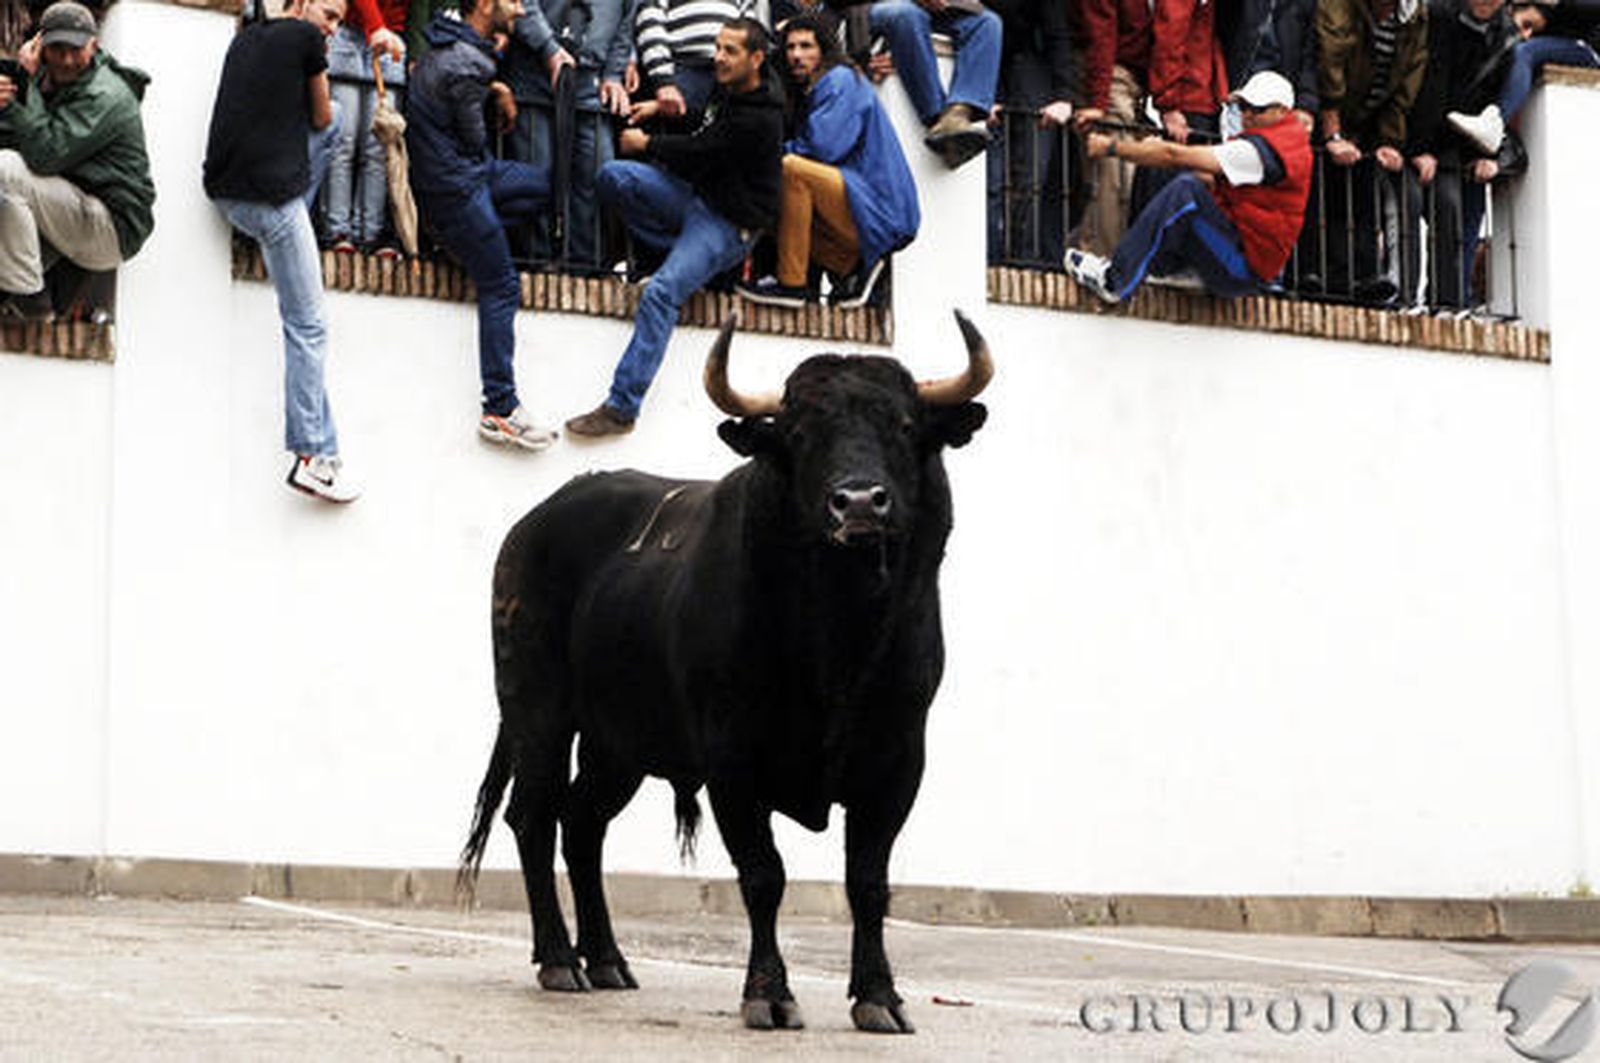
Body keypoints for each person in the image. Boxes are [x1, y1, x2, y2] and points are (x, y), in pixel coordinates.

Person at [565, 16, 781, 437]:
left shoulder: (762, 116)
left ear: (756, 59)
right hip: (697, 199)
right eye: (718, 47)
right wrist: (662, 109)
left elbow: (704, 148)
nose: (718, 57)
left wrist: (647, 142)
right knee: (614, 177)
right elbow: (710, 123)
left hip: (727, 224)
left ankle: (622, 408)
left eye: (730, 51)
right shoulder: (733, 88)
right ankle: (685, 261)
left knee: (661, 294)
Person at [204, 0, 360, 502]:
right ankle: (310, 457)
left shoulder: (245, 37)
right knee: (307, 325)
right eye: (329, 14)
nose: (332, 28)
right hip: (271, 205)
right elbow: (322, 116)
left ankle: (326, 452)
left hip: (226, 195)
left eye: (339, 21)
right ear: (302, 3)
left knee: (303, 323)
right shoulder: (307, 39)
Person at [407, 0, 559, 450]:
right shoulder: (470, 62)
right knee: (502, 285)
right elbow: (474, 137)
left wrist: (495, 86)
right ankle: (499, 407)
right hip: (456, 188)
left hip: (467, 176)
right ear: (487, 4)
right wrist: (491, 88)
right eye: (513, 1)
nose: (520, 9)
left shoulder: (449, 45)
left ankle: (461, 239)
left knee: (547, 186)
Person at [1064, 70, 1312, 304]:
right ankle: (1172, 270)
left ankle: (1115, 281)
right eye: (1242, 107)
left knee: (1186, 191)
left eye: (1256, 109)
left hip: (1240, 271)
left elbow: (1175, 155)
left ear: (1282, 111)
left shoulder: (1265, 150)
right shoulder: (1286, 145)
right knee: (1178, 178)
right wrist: (1154, 154)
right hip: (1240, 258)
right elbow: (1205, 175)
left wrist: (1112, 148)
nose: (1246, 116)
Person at [736, 14, 917, 308]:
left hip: (880, 211)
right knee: (764, 208)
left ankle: (792, 285)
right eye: (790, 47)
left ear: (824, 50)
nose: (796, 55)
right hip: (862, 208)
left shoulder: (840, 79)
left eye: (806, 46)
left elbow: (822, 148)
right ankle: (851, 268)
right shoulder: (818, 86)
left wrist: (765, 154)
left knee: (791, 169)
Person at [0, 0, 153, 322]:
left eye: (76, 49)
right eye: (57, 49)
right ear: (40, 46)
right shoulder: (44, 78)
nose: (67, 59)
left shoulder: (106, 95)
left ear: (93, 45)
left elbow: (44, 155)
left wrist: (20, 96)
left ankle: (29, 297)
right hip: (72, 207)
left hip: (111, 228)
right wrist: (11, 93)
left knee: (5, 169)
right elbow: (18, 136)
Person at [499, 0, 635, 273]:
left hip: (591, 85)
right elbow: (520, 4)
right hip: (534, 74)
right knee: (535, 173)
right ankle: (536, 264)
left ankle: (583, 267)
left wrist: (613, 73)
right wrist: (548, 48)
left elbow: (627, 20)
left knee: (596, 172)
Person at [1317, 0, 1430, 302]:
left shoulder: (1414, 16)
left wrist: (1389, 141)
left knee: (1366, 192)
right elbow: (1330, 60)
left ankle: (1366, 279)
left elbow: (1406, 86)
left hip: (1369, 121)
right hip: (1329, 113)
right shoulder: (1341, 7)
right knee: (1330, 193)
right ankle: (1328, 280)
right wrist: (1333, 132)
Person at [1446, 0, 1600, 154]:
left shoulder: (1560, 12)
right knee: (1517, 54)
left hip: (1586, 48)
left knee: (1525, 51)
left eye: (1528, 25)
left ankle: (1496, 122)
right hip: (1553, 48)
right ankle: (1491, 119)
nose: (1526, 34)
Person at [867, 0, 1001, 168]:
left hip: (931, 12)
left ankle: (957, 113)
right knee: (906, 14)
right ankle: (939, 120)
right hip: (870, 10)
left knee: (988, 22)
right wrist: (860, 58)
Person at [320, 0, 407, 254]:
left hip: (391, 36)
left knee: (379, 145)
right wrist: (376, 25)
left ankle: (370, 233)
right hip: (350, 31)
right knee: (343, 140)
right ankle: (337, 230)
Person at [1072, 0, 1154, 256]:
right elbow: (1100, 34)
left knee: (1121, 176)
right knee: (1114, 175)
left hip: (1132, 84)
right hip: (1110, 77)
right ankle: (1099, 255)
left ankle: (1095, 251)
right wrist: (1099, 100)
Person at [634, 0, 752, 116]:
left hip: (733, 67)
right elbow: (650, 21)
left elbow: (750, 26)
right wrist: (663, 80)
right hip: (683, 66)